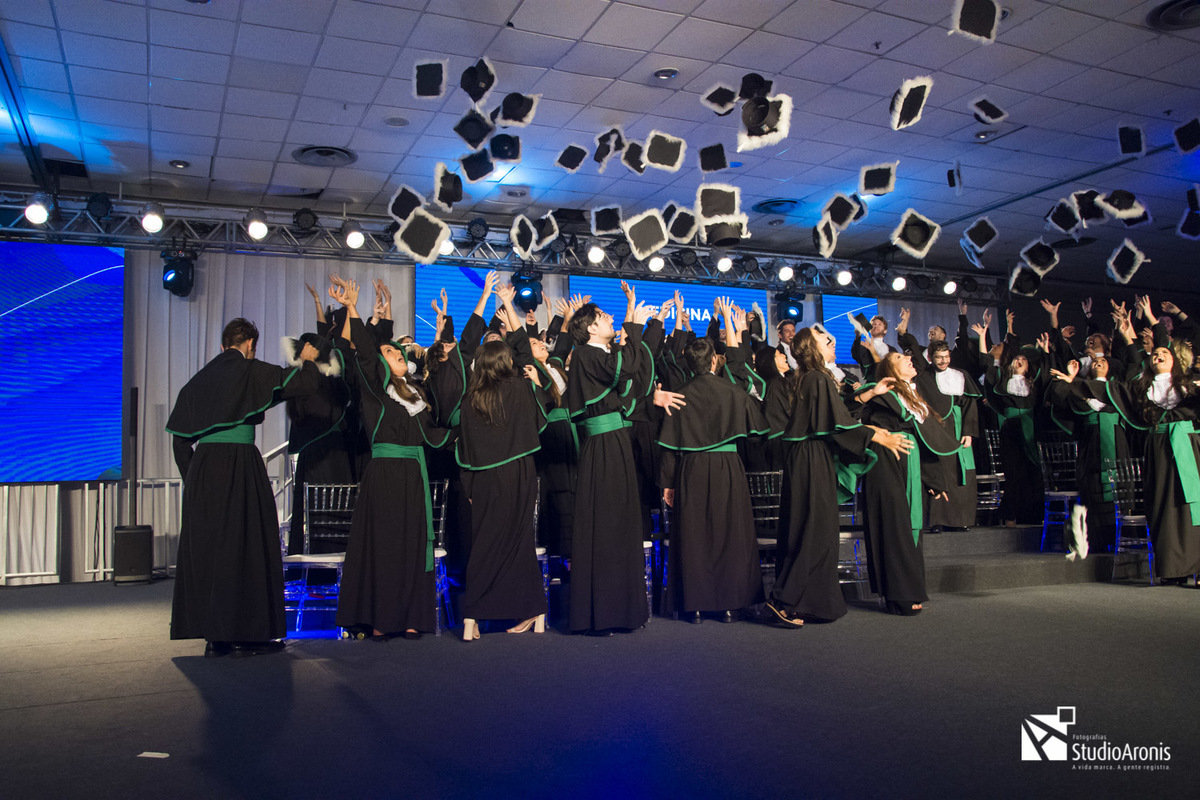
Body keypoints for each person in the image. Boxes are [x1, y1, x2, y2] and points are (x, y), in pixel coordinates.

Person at [166, 317, 320, 657]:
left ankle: (216, 636)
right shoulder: (251, 370)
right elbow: (303, 384)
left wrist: (195, 481)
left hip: (204, 469)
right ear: (250, 345)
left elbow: (179, 442)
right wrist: (307, 359)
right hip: (240, 466)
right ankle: (247, 634)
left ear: (223, 346)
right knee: (247, 547)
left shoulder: (196, 383)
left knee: (214, 552)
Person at [329, 278, 454, 640]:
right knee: (386, 546)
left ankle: (414, 615)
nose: (396, 353)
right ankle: (382, 616)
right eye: (390, 352)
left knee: (414, 545)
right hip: (384, 475)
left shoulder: (416, 393)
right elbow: (367, 354)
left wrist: (470, 439)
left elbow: (432, 435)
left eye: (399, 352)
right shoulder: (375, 391)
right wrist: (353, 308)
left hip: (414, 474)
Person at [767, 327, 909, 625]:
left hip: (807, 457)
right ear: (812, 348)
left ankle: (809, 603)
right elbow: (837, 424)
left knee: (815, 529)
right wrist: (877, 438)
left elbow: (836, 414)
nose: (831, 342)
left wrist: (871, 393)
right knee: (812, 529)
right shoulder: (817, 378)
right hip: (810, 458)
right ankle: (785, 601)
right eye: (824, 340)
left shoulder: (810, 378)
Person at [566, 292, 684, 634]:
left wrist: (653, 398)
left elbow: (628, 389)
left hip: (614, 443)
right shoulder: (587, 353)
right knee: (607, 525)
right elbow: (627, 366)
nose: (608, 318)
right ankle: (603, 613)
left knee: (620, 524)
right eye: (602, 316)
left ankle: (621, 610)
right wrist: (634, 323)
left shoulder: (598, 354)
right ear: (589, 328)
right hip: (603, 447)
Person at [657, 300, 769, 623]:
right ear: (716, 361)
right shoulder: (734, 392)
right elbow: (759, 428)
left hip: (690, 471)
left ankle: (693, 606)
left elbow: (669, 445)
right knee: (730, 535)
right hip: (728, 469)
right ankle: (730, 605)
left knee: (693, 537)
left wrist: (667, 481)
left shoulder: (680, 393)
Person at [1078, 296, 1199, 584]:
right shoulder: (1141, 388)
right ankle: (1171, 570)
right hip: (1157, 447)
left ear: (1175, 359)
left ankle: (1197, 567)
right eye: (1154, 355)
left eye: (1164, 354)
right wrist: (1074, 382)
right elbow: (1113, 390)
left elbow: (1169, 346)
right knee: (1162, 507)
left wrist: (1151, 319)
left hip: (1188, 447)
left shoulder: (1188, 385)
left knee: (1193, 506)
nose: (1157, 356)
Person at [457, 284, 551, 641]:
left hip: (482, 480)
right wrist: (509, 307)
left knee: (484, 544)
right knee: (519, 541)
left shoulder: (470, 399)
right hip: (519, 475)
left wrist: (468, 487)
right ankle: (533, 612)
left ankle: (472, 620)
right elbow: (526, 349)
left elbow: (464, 451)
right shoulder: (519, 388)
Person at [858, 352, 960, 615]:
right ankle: (898, 593)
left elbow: (923, 441)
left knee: (911, 525)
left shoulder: (913, 396)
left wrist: (933, 480)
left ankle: (909, 589)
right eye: (900, 357)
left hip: (909, 464)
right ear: (889, 368)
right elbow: (864, 421)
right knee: (894, 526)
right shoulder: (881, 393)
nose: (909, 357)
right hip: (886, 464)